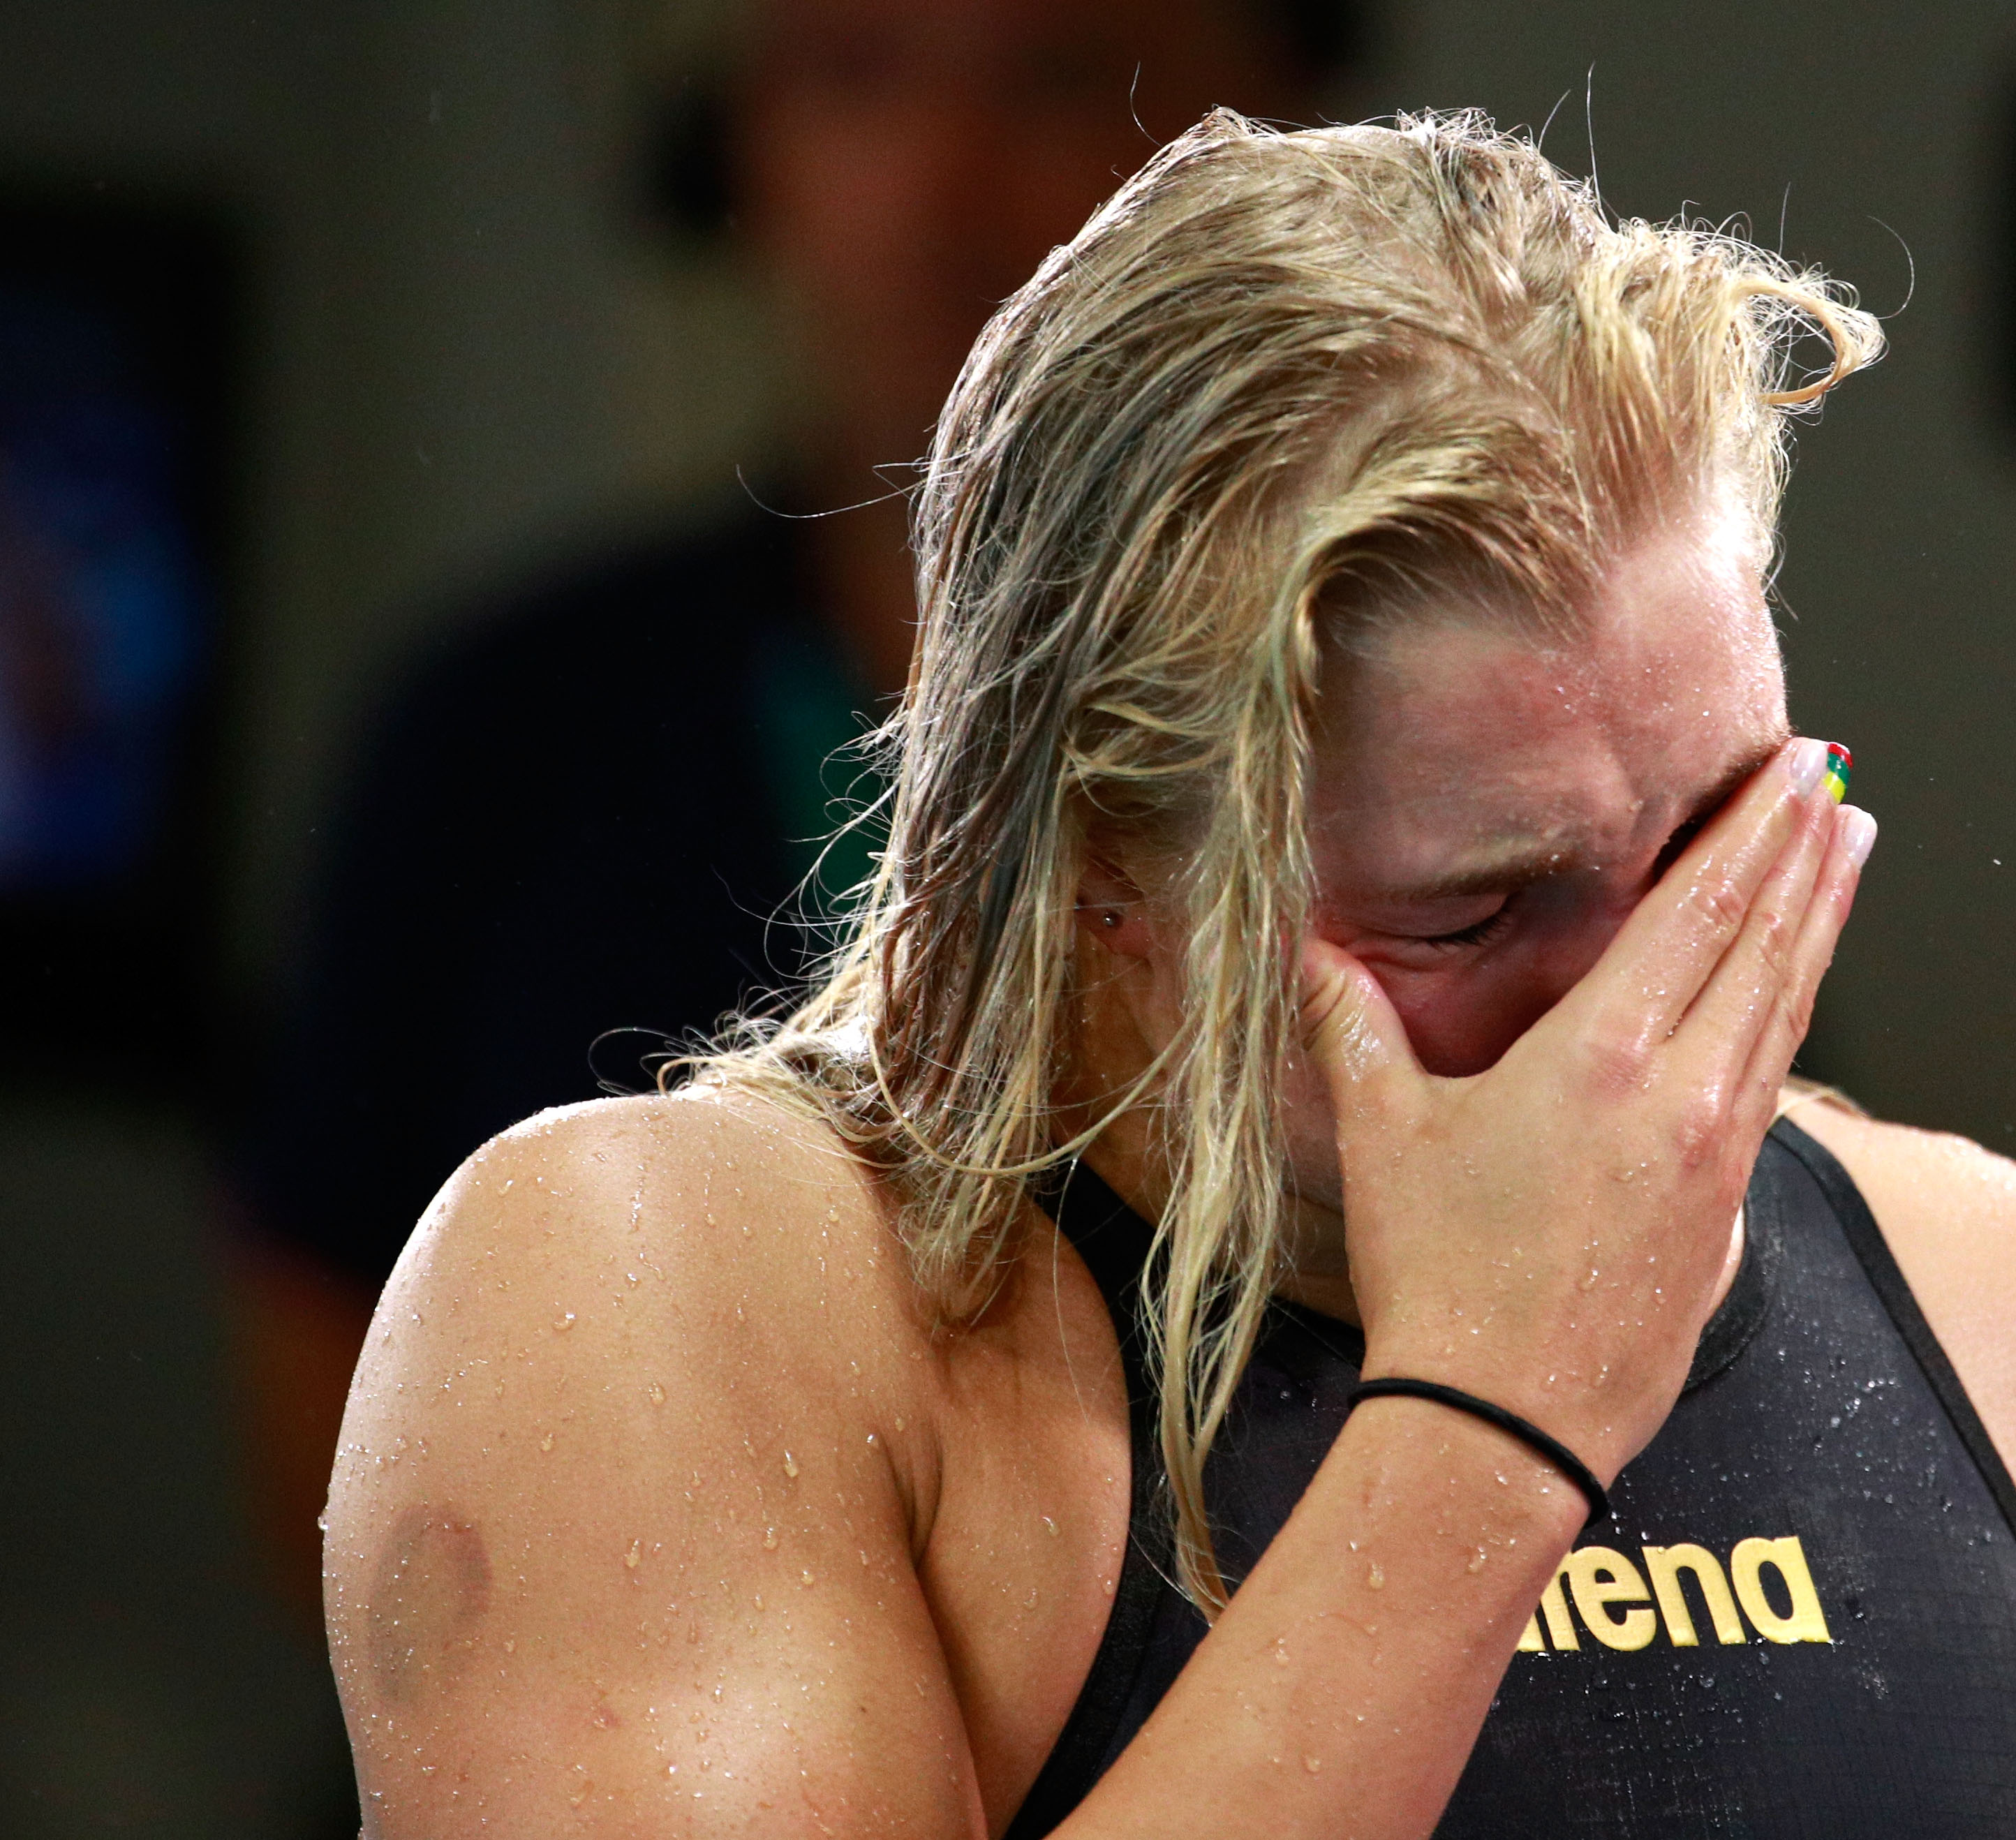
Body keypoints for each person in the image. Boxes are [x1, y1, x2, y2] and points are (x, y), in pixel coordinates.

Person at [328, 112, 2016, 1837]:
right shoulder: (675, 1301)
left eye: (1729, 834)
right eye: (1476, 918)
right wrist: (1488, 1423)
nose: (1644, 1012)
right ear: (1091, 866)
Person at [230, 0, 1344, 1603]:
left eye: (1059, 74)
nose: (941, 184)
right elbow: (320, 1419)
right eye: (853, 76)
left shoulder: (1439, 713)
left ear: (1274, 127)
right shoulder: (499, 731)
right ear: (736, 143)